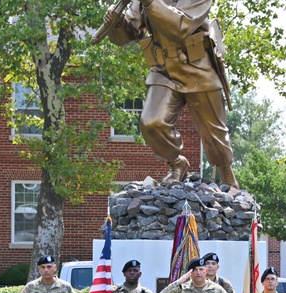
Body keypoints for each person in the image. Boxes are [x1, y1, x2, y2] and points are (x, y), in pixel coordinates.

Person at [101, 0, 238, 188]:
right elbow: (129, 34)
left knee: (213, 130)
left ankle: (226, 172)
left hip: (198, 67)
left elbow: (180, 26)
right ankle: (177, 164)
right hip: (164, 69)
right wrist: (117, 23)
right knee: (152, 122)